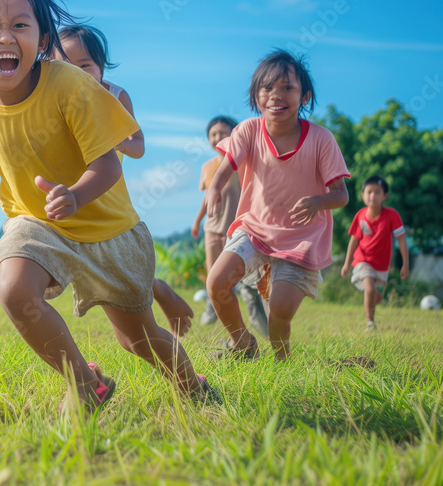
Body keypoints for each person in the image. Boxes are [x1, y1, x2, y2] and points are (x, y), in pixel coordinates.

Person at [0, 0, 219, 414]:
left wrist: (75, 194)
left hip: (109, 229)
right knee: (14, 288)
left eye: (20, 25)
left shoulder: (72, 87)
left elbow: (109, 165)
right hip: (36, 220)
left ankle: (194, 389)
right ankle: (83, 383)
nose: (6, 36)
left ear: (42, 39)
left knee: (138, 339)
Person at [206, 50, 349, 361]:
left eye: (288, 87)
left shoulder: (322, 140)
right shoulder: (248, 130)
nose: (276, 95)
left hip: (301, 238)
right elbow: (228, 164)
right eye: (267, 87)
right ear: (256, 95)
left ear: (305, 96)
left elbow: (341, 195)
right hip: (255, 229)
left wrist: (317, 201)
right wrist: (215, 188)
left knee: (280, 310)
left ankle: (281, 364)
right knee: (216, 283)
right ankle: (243, 345)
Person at [55, 24, 193, 338]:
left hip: (106, 197)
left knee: (122, 269)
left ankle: (161, 292)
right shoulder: (54, 98)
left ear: (102, 67)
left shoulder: (115, 96)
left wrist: (115, 142)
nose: (76, 73)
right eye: (64, 65)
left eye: (85, 65)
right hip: (65, 197)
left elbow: (138, 146)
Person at [192, 117, 268, 334]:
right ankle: (211, 305)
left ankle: (255, 312)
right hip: (211, 227)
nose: (218, 138)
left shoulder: (243, 162)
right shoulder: (208, 166)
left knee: (237, 275)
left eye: (223, 133)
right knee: (212, 269)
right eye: (213, 134)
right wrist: (198, 221)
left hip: (236, 228)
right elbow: (207, 197)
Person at [340, 175, 410, 331]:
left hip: (382, 265)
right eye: (369, 192)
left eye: (377, 192)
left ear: (385, 195)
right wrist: (346, 264)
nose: (373, 195)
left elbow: (402, 240)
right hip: (362, 260)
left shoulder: (392, 215)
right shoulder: (360, 215)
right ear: (362, 194)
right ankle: (370, 323)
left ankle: (371, 312)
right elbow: (354, 241)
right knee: (370, 289)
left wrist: (405, 265)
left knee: (377, 298)